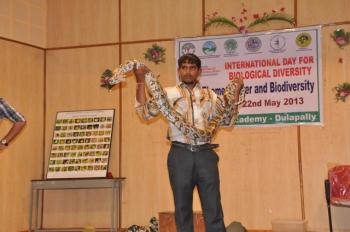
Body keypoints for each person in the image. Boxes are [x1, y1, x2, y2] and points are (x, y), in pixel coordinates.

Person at [134, 53, 244, 232]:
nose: (188, 71)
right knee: (182, 208)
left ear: (199, 72)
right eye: (184, 67)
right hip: (180, 154)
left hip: (206, 154)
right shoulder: (167, 94)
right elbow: (144, 113)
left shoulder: (211, 96)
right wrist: (140, 82)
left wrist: (237, 92)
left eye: (192, 68)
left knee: (213, 207)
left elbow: (227, 121)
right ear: (179, 71)